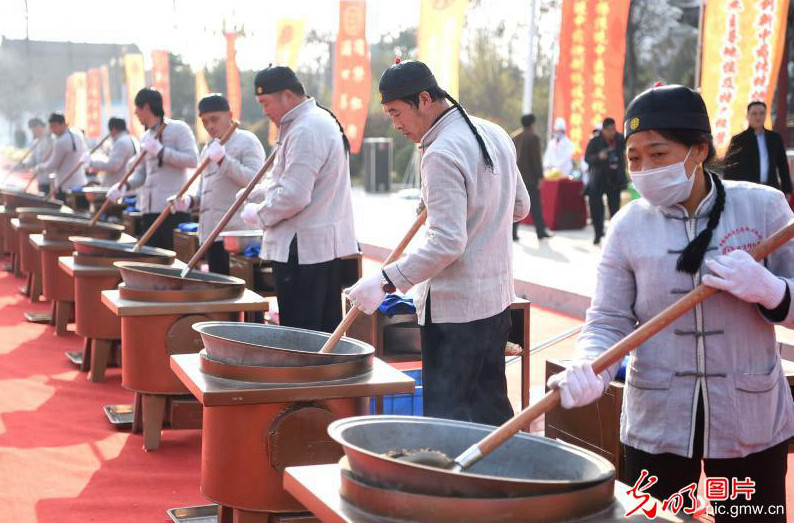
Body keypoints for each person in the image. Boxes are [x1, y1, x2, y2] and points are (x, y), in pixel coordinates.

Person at [547, 85, 794, 523]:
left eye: (657, 154)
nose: (643, 169)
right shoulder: (627, 227)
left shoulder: (764, 209)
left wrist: (771, 290)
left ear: (698, 149)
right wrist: (591, 366)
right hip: (657, 423)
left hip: (751, 419)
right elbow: (608, 318)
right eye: (634, 157)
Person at [346, 60, 530, 425]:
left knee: (448, 420)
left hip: (456, 312)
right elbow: (520, 206)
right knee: (490, 409)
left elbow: (447, 243)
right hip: (495, 303)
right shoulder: (493, 132)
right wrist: (474, 209)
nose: (396, 125)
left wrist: (386, 279)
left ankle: (456, 483)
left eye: (397, 113)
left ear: (425, 99)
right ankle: (504, 478)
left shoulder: (442, 151)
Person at [240, 66, 357, 332]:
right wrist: (262, 191)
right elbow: (291, 179)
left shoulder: (306, 128)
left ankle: (309, 374)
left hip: (303, 249)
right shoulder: (309, 122)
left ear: (288, 95)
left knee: (302, 333)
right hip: (313, 247)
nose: (264, 111)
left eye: (266, 102)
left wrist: (259, 215)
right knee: (320, 331)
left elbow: (294, 195)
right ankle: (321, 373)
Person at [169, 94, 264, 275]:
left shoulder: (247, 141)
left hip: (237, 235)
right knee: (218, 292)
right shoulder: (209, 148)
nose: (210, 126)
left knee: (240, 295)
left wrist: (223, 161)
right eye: (205, 122)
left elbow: (255, 181)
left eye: (214, 119)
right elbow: (205, 190)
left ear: (230, 114)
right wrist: (189, 201)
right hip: (211, 234)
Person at [107, 88, 198, 250]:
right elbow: (142, 173)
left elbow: (192, 160)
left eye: (138, 108)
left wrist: (162, 151)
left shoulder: (179, 129)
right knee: (151, 259)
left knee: (174, 258)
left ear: (147, 107)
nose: (136, 113)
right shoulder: (146, 137)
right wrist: (124, 186)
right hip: (149, 209)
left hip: (173, 209)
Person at [724, 101, 792, 195]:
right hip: (747, 191)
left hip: (770, 189)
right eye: (754, 113)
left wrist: (787, 190)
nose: (758, 117)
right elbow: (729, 169)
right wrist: (729, 191)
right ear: (747, 116)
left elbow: (783, 166)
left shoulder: (774, 138)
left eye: (762, 113)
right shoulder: (738, 140)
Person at [584, 117, 627, 245]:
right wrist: (599, 156)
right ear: (603, 130)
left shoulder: (620, 139)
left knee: (615, 209)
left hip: (615, 179)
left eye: (614, 129)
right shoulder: (595, 141)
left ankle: (614, 236)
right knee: (597, 209)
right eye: (609, 130)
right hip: (598, 179)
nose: (612, 132)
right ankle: (598, 233)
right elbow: (587, 158)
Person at [512, 114, 550, 241]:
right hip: (530, 179)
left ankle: (513, 233)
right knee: (535, 207)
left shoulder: (514, 136)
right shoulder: (533, 138)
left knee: (516, 205)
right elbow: (536, 160)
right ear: (532, 124)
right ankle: (541, 231)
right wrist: (540, 177)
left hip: (516, 177)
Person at [34, 112, 87, 196]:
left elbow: (53, 165)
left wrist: (40, 167)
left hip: (65, 185)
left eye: (54, 126)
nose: (53, 130)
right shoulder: (78, 135)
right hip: (80, 182)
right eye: (51, 127)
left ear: (63, 124)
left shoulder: (61, 141)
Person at [83, 117, 138, 188]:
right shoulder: (131, 139)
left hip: (119, 186)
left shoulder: (122, 142)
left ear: (113, 129)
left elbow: (112, 166)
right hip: (124, 184)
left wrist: (91, 162)